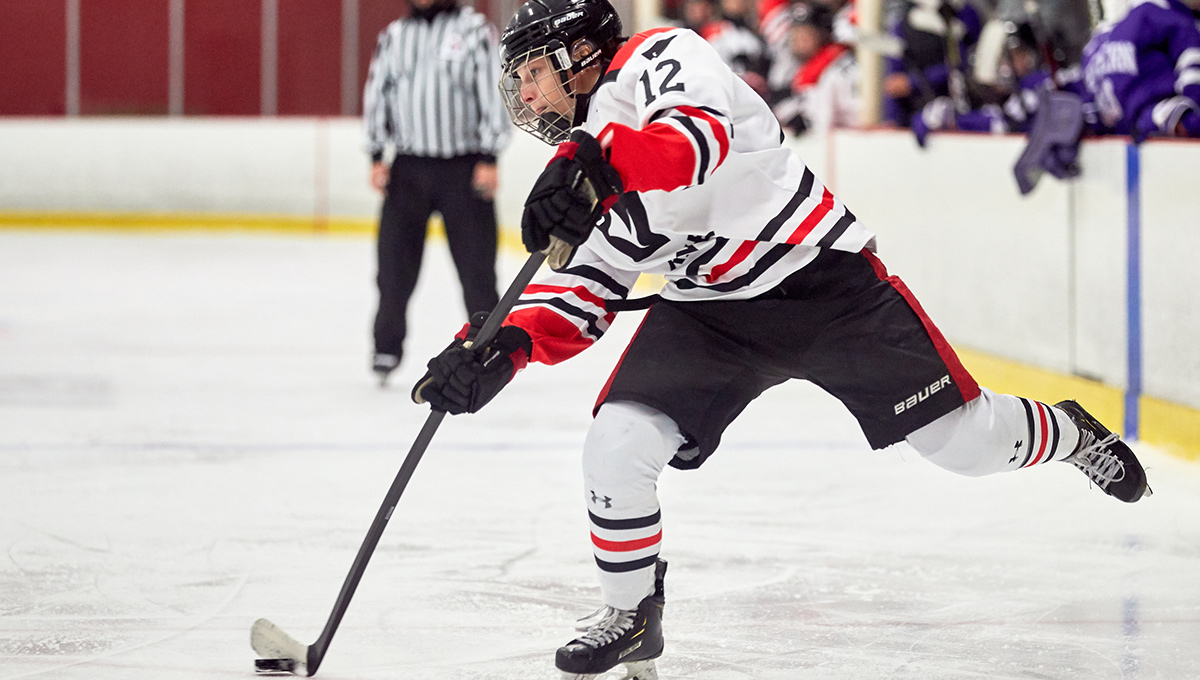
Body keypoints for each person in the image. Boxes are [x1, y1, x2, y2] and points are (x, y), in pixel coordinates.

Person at [412, 0, 1151, 677]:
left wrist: (596, 167)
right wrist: (500, 350)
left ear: (580, 53)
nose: (529, 95)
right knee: (617, 442)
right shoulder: (579, 161)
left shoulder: (660, 58)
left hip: (820, 283)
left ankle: (1072, 434)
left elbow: (691, 144)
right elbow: (585, 289)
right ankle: (632, 622)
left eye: (536, 72)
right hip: (709, 314)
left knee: (966, 444)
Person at [362, 0, 510, 384]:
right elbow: (380, 88)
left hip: (463, 167)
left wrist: (489, 155)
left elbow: (492, 91)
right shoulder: (395, 35)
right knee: (394, 268)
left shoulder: (474, 30)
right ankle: (386, 346)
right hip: (408, 167)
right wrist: (377, 152)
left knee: (477, 270)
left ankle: (489, 349)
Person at [1080, 0, 1200, 140]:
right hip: (1159, 117)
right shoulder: (1155, 14)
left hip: (1134, 128)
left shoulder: (1095, 44)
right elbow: (1191, 54)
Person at [772, 2, 860, 135]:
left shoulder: (837, 68)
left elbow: (821, 126)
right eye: (795, 33)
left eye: (806, 33)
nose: (799, 40)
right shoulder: (799, 68)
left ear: (823, 34)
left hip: (856, 144)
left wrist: (804, 121)